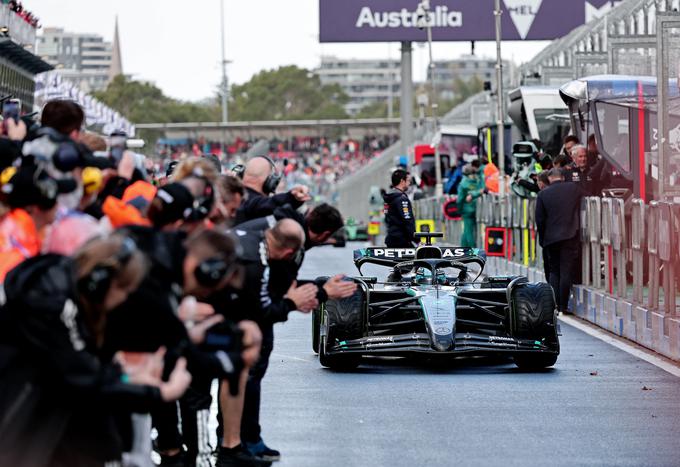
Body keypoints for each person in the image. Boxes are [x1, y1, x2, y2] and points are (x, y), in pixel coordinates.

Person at [0, 234, 193, 467]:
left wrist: (126, 377)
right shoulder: (55, 307)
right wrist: (158, 393)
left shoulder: (65, 295)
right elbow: (83, 376)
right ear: (100, 283)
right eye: (125, 290)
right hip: (18, 432)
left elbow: (87, 370)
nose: (124, 299)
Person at [104, 227, 262, 467]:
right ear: (206, 271)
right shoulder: (155, 284)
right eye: (210, 288)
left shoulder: (163, 259)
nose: (206, 294)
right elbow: (174, 351)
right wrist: (231, 362)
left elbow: (175, 343)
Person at [216, 219, 319, 466]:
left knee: (239, 367)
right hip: (200, 314)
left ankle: (233, 444)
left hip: (211, 308)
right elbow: (263, 311)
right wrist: (293, 302)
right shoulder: (257, 264)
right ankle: (210, 451)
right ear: (287, 253)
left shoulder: (256, 236)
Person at [535, 168, 584, 314]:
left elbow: (540, 220)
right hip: (569, 235)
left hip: (551, 238)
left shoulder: (543, 194)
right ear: (562, 177)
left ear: (549, 179)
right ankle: (563, 305)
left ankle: (553, 304)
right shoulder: (572, 188)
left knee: (554, 271)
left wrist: (543, 239)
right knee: (566, 270)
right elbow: (586, 194)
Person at [233, 156, 310, 226]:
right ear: (271, 182)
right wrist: (292, 197)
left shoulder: (229, 196)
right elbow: (269, 204)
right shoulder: (254, 204)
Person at [382, 169, 415, 248]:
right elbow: (408, 220)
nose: (409, 183)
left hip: (391, 239)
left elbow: (386, 218)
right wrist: (416, 239)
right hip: (402, 241)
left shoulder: (389, 198)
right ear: (402, 181)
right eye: (408, 180)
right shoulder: (402, 199)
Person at [457, 165, 485, 248]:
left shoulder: (463, 184)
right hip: (477, 208)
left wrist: (459, 210)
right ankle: (463, 247)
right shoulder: (477, 182)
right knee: (469, 230)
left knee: (468, 231)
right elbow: (481, 191)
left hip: (466, 210)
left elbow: (460, 199)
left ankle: (472, 250)